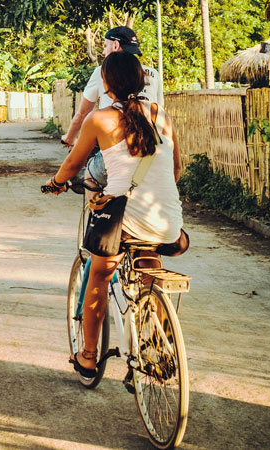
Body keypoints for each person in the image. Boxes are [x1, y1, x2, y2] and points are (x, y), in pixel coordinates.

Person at [43, 51, 184, 376]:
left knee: (99, 274)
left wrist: (55, 183)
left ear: (106, 84)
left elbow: (74, 165)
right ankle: (159, 344)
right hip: (168, 222)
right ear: (141, 81)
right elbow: (175, 167)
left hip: (125, 223)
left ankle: (88, 356)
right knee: (151, 272)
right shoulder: (160, 113)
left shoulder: (100, 119)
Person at [60, 26, 163, 149]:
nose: (103, 52)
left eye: (105, 46)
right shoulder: (153, 73)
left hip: (115, 143)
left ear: (115, 45)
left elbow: (82, 114)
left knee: (85, 166)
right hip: (149, 145)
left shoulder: (102, 72)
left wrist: (69, 138)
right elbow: (160, 111)